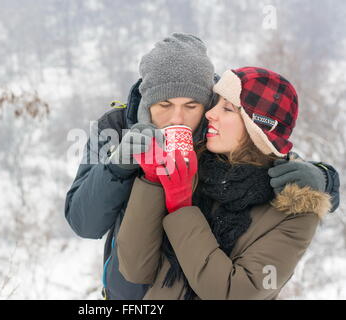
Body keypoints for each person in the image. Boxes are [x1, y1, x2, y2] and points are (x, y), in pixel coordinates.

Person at [64, 33, 340, 300]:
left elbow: (265, 146)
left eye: (192, 105)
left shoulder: (214, 132)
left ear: (207, 103)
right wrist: (117, 168)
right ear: (147, 101)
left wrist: (325, 178)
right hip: (125, 290)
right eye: (164, 104)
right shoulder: (114, 127)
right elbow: (84, 223)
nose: (177, 118)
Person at [117, 66, 334, 299]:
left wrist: (181, 208)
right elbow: (135, 268)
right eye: (216, 102)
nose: (210, 113)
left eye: (227, 108)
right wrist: (152, 182)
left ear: (257, 129)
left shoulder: (295, 211)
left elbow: (234, 293)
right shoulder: (193, 168)